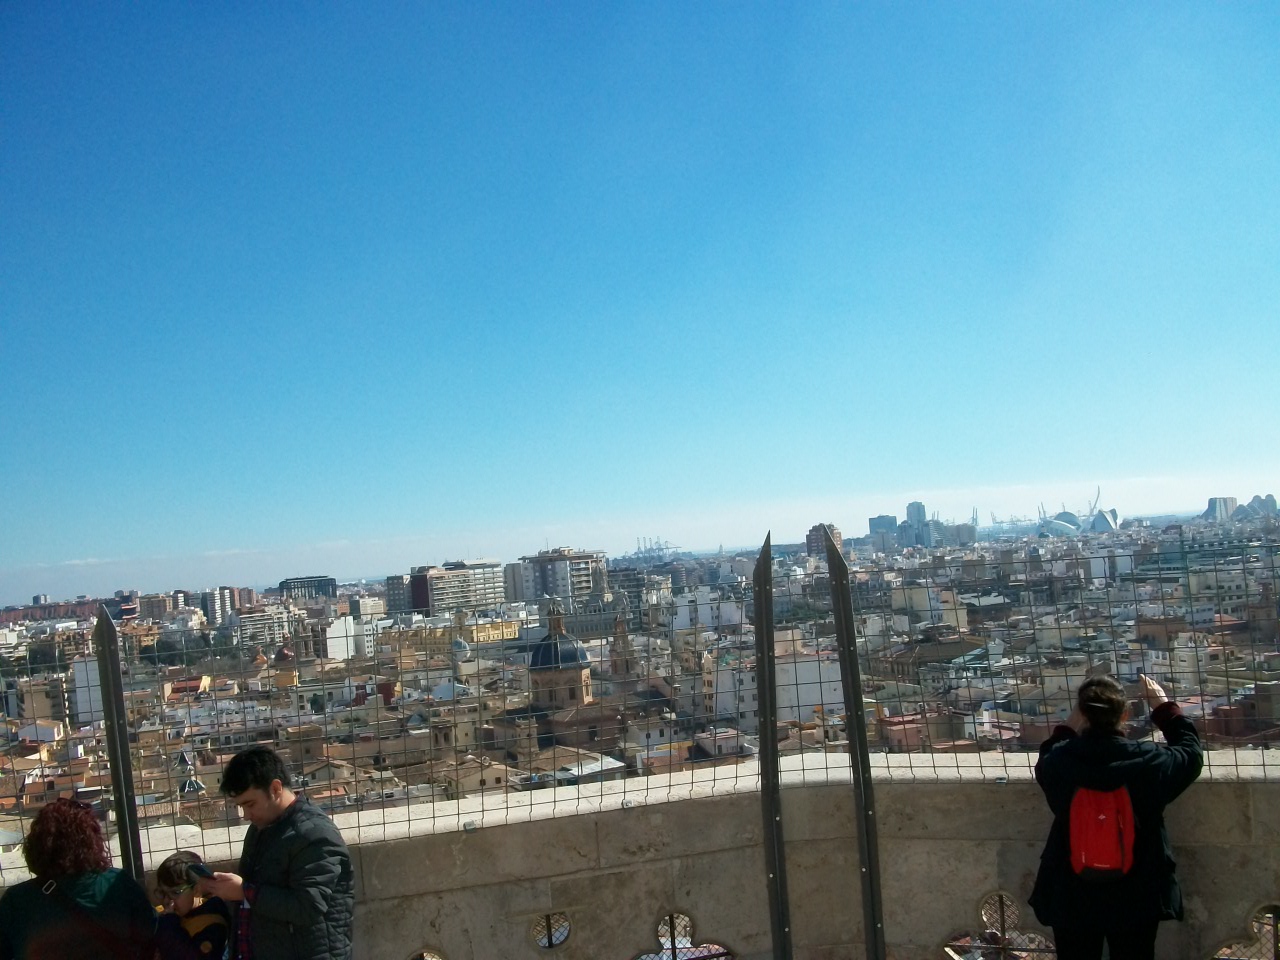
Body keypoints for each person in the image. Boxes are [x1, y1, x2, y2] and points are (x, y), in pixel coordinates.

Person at [1030, 674, 1203, 960]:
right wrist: (1162, 706)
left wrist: (1070, 723)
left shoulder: (1058, 763)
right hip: (1137, 892)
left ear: (1083, 713)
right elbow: (1191, 754)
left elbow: (1046, 754)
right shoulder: (1150, 761)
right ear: (1124, 714)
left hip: (1072, 891)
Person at [199, 746, 353, 960]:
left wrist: (244, 891)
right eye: (241, 806)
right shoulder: (261, 828)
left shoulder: (314, 835)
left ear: (275, 788)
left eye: (250, 804)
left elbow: (308, 906)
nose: (246, 815)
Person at [0, 797, 156, 960]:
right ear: (92, 841)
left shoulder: (16, 901)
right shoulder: (118, 884)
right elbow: (150, 936)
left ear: (36, 845)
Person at [154, 850, 231, 959]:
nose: (167, 900)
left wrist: (169, 926)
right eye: (162, 893)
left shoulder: (212, 926)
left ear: (196, 891)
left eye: (175, 893)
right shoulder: (163, 914)